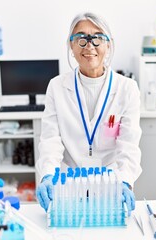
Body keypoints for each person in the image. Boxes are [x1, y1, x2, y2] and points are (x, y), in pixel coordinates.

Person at [35, 12, 142, 215]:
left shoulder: (127, 88)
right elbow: (50, 140)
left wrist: (125, 181)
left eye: (98, 37)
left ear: (108, 45)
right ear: (71, 45)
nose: (89, 46)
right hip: (68, 184)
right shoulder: (57, 87)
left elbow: (129, 146)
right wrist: (47, 175)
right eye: (81, 38)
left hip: (111, 185)